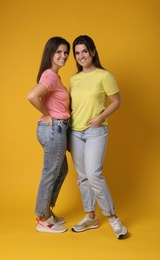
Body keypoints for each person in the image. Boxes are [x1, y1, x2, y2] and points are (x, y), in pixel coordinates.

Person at [68, 35, 128, 239]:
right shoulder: (73, 79)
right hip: (75, 133)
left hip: (96, 131)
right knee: (82, 177)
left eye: (85, 51)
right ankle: (90, 216)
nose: (81, 56)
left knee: (94, 174)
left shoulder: (105, 76)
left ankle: (113, 218)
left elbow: (116, 101)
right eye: (77, 53)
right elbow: (71, 107)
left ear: (92, 51)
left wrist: (100, 118)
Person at [27, 36, 70, 233]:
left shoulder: (54, 76)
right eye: (59, 52)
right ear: (50, 54)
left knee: (60, 171)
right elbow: (32, 96)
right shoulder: (50, 76)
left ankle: (47, 210)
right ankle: (43, 218)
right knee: (51, 173)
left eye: (65, 52)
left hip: (58, 129)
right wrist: (46, 114)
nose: (64, 55)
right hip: (54, 129)